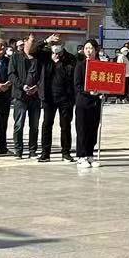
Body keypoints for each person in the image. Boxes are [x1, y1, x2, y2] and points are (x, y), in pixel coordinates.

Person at [38, 34, 76, 162]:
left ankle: (66, 152)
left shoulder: (70, 58)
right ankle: (45, 153)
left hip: (65, 97)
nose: (55, 47)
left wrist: (58, 63)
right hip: (49, 97)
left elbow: (70, 76)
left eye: (58, 44)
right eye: (53, 44)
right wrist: (46, 40)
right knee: (47, 124)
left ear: (63, 45)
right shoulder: (45, 56)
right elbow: (33, 51)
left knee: (65, 125)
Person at [10, 33, 42, 159]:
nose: (33, 44)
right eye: (31, 41)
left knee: (34, 125)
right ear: (25, 42)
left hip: (35, 97)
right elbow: (11, 75)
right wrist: (22, 86)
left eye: (34, 42)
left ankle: (32, 151)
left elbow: (43, 75)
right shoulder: (16, 57)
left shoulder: (38, 59)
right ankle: (18, 151)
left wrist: (37, 87)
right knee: (19, 124)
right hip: (20, 97)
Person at [75, 39, 105, 168]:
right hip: (83, 102)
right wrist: (89, 92)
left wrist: (104, 92)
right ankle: (81, 156)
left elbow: (105, 83)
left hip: (96, 102)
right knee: (82, 129)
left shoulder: (100, 65)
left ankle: (89, 155)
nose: (88, 51)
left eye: (91, 48)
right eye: (86, 48)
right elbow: (77, 85)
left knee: (93, 129)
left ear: (96, 50)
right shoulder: (80, 65)